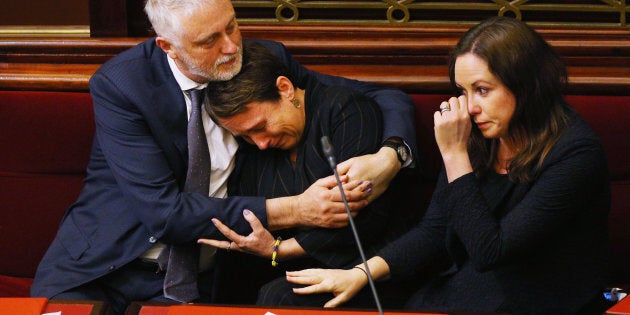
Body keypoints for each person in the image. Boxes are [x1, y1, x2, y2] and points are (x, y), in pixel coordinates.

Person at [29, 0, 416, 313]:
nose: (231, 46)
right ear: (168, 46)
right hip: (99, 267)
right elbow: (166, 214)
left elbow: (381, 95)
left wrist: (391, 155)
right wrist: (298, 209)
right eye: (209, 40)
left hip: (197, 282)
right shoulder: (123, 86)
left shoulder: (262, 59)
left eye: (231, 26)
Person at [274, 16, 611, 314]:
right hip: (467, 285)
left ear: (526, 86)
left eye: (482, 90)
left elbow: (491, 251)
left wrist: (454, 155)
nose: (470, 107)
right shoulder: (482, 135)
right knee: (284, 297)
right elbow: (435, 230)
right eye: (462, 91)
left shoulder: (577, 153)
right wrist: (359, 273)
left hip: (538, 295)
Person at [196, 41, 417, 306]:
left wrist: (279, 250)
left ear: (285, 89)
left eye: (261, 126)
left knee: (278, 297)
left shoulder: (344, 109)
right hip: (290, 267)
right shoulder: (253, 149)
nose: (261, 143)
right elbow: (252, 217)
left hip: (370, 262)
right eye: (246, 136)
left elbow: (363, 218)